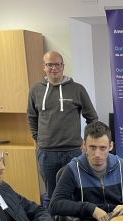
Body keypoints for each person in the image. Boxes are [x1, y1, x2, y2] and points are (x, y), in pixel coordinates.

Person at [27, 50, 98, 203]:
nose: (54, 68)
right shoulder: (35, 90)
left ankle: (75, 220)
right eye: (49, 65)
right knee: (52, 196)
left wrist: (87, 141)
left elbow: (92, 118)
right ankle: (52, 220)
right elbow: (32, 117)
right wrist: (38, 139)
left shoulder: (77, 89)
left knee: (76, 194)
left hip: (73, 152)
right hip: (47, 154)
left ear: (63, 66)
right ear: (44, 67)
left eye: (57, 64)